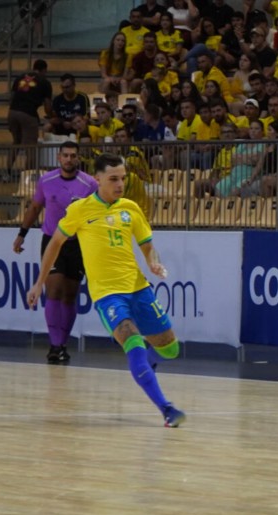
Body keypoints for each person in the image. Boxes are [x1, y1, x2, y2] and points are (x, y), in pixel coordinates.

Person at [25, 153, 187, 428]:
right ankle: (167, 409)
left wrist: (152, 262)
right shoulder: (80, 210)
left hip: (139, 289)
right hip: (108, 295)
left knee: (171, 349)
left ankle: (147, 362)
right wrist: (40, 281)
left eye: (123, 178)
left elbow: (147, 243)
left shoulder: (130, 208)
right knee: (132, 342)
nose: (120, 184)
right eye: (113, 179)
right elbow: (54, 244)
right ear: (97, 179)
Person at [13, 141, 98, 362]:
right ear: (58, 158)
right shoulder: (46, 180)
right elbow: (35, 207)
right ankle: (54, 345)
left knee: (70, 295)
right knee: (53, 290)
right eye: (65, 155)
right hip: (53, 240)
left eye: (73, 155)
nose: (69, 159)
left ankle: (62, 344)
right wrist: (22, 233)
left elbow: (96, 215)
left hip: (77, 243)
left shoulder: (88, 184)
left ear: (78, 158)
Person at [8, 59, 52, 172]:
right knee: (31, 147)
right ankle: (27, 175)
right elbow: (47, 107)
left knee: (16, 142)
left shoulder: (20, 78)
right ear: (44, 70)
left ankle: (7, 172)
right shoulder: (45, 82)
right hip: (28, 114)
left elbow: (12, 97)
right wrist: (52, 115)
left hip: (13, 112)